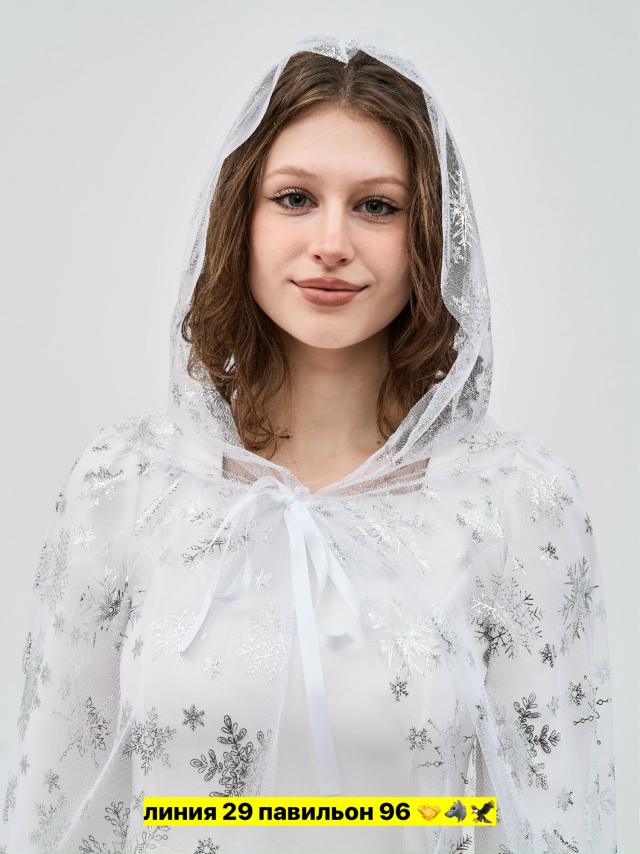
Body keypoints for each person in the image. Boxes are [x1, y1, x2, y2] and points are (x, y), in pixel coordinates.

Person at [0, 34, 616, 854]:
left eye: (377, 206)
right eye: (294, 198)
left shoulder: (513, 504)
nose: (332, 242)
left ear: (432, 235)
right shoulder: (125, 487)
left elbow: (551, 823)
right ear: (240, 221)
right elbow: (61, 808)